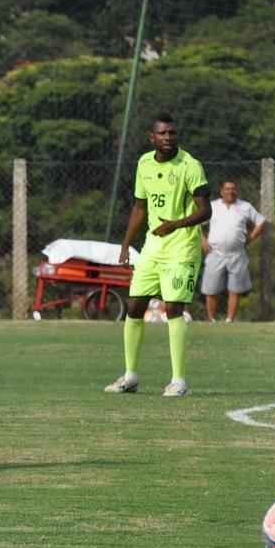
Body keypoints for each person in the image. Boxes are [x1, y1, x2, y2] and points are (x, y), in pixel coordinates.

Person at [105, 112, 212, 398]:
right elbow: (139, 207)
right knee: (134, 306)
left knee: (173, 309)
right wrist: (126, 244)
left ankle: (179, 381)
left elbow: (206, 210)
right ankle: (130, 376)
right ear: (152, 137)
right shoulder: (144, 163)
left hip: (182, 247)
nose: (168, 137)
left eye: (172, 133)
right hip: (153, 246)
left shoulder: (190, 166)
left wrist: (176, 224)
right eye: (162, 133)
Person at [201, 181, 269, 323]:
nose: (230, 192)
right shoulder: (212, 206)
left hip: (237, 254)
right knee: (211, 289)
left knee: (235, 289)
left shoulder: (245, 206)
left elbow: (261, 222)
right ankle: (211, 320)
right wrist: (203, 241)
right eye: (227, 189)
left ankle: (229, 320)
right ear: (221, 191)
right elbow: (196, 225)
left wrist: (251, 237)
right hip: (215, 253)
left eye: (233, 189)